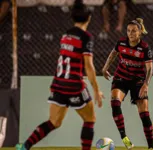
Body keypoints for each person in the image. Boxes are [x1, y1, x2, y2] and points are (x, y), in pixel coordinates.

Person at [16, 0, 104, 149]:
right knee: (90, 119)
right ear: (88, 18)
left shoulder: (66, 35)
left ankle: (25, 146)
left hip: (58, 84)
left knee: (54, 122)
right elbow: (89, 66)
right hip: (74, 85)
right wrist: (96, 90)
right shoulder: (85, 37)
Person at [102, 18, 153, 150]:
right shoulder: (121, 43)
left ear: (140, 32)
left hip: (138, 81)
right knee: (114, 102)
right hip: (121, 78)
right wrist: (105, 68)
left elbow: (150, 68)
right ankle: (124, 138)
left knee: (144, 114)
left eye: (134, 31)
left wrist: (146, 84)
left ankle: (151, 147)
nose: (130, 33)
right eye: (129, 31)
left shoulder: (144, 48)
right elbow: (113, 54)